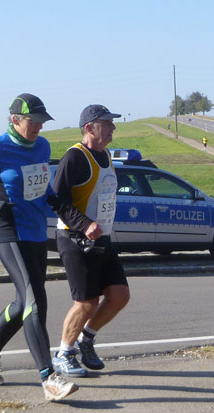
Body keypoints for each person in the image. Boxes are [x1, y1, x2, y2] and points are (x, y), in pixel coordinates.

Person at [0, 93, 78, 401]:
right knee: (36, 301)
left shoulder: (43, 146)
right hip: (8, 231)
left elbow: (41, 186)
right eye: (33, 121)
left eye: (42, 122)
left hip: (35, 231)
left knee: (24, 303)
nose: (38, 127)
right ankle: (49, 378)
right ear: (15, 120)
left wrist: (56, 202)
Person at [50, 104, 130, 377]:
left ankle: (86, 340)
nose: (112, 127)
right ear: (89, 128)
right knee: (86, 302)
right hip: (74, 238)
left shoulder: (105, 155)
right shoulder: (74, 157)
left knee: (119, 295)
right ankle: (63, 354)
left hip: (102, 238)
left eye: (112, 123)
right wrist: (85, 224)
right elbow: (57, 201)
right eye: (106, 123)